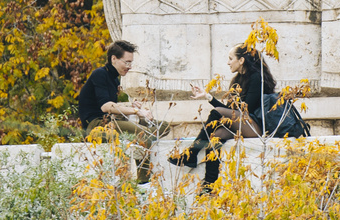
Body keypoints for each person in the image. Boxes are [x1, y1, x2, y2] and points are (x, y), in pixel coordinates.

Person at [168, 44, 277, 190]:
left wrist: (213, 101)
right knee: (215, 137)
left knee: (217, 114)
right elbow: (229, 111)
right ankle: (209, 185)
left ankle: (191, 153)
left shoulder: (257, 78)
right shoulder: (237, 81)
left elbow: (245, 110)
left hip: (256, 127)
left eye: (231, 58)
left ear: (242, 60)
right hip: (242, 124)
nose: (228, 62)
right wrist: (207, 96)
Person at [77, 40, 167, 181]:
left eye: (131, 63)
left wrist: (131, 105)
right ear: (114, 59)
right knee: (144, 135)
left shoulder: (114, 79)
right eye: (126, 62)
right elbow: (106, 107)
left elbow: (112, 105)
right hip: (96, 126)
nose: (129, 67)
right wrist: (136, 111)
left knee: (164, 127)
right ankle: (143, 182)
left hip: (111, 122)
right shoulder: (99, 74)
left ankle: (133, 143)